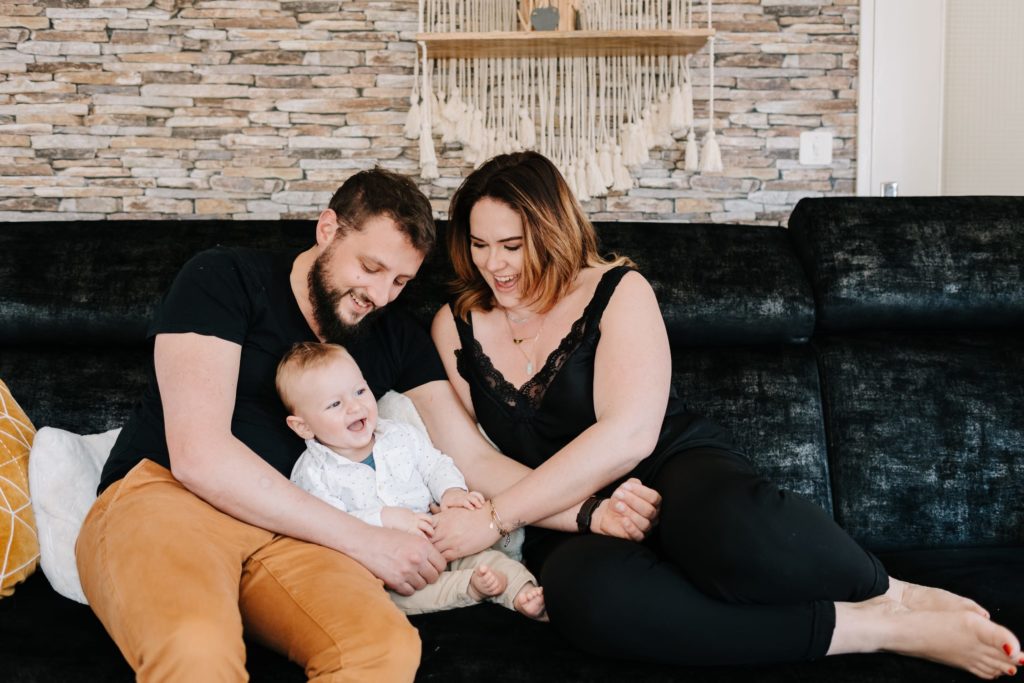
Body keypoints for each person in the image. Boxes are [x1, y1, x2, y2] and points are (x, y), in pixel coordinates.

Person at [426, 151, 1022, 680]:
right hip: (562, 515)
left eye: (512, 246)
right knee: (594, 604)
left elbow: (628, 434)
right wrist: (585, 514)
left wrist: (496, 518)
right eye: (479, 246)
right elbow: (482, 459)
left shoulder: (616, 288)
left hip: (666, 464)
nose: (495, 267)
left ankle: (893, 593)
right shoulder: (454, 325)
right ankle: (876, 629)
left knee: (739, 531)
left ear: (552, 232)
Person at [75, 166, 653, 681]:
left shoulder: (396, 337)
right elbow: (199, 455)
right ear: (328, 229)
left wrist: (588, 512)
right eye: (370, 267)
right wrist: (365, 541)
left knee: (381, 650)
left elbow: (471, 461)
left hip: (296, 534)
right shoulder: (224, 278)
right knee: (195, 649)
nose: (378, 294)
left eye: (400, 282)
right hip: (171, 499)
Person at [277, 341, 546, 619]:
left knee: (487, 560)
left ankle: (521, 591)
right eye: (335, 404)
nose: (355, 406)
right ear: (303, 426)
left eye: (360, 391)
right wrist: (387, 518)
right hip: (383, 569)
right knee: (392, 598)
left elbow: (435, 465)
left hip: (436, 537)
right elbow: (328, 525)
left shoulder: (399, 435)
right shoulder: (312, 474)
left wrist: (451, 492)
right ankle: (470, 588)